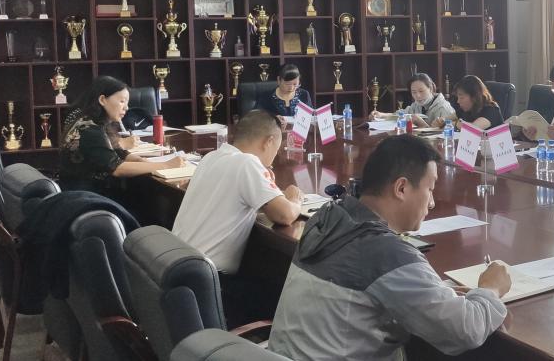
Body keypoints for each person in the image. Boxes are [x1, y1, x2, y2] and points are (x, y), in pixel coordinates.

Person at [269, 135, 511, 360]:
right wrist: (490, 289)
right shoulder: (384, 252)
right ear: (401, 188)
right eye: (430, 189)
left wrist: (433, 293)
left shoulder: (326, 220)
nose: (432, 202)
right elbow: (464, 329)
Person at [172, 110, 303, 326]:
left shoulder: (212, 157)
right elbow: (284, 215)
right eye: (276, 150)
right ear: (268, 141)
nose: (273, 158)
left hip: (180, 273)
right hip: (210, 284)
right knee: (286, 299)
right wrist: (294, 199)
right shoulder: (247, 163)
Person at [57, 75, 183, 197]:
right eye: (122, 101)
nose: (126, 108)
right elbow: (117, 168)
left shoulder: (88, 119)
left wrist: (141, 161)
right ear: (102, 100)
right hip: (88, 199)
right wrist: (166, 165)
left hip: (86, 194)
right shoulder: (89, 129)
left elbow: (116, 150)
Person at [373, 73, 455, 127]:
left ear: (430, 89)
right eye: (414, 92)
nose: (418, 96)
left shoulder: (443, 107)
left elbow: (446, 134)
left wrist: (422, 124)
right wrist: (381, 115)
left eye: (421, 91)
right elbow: (402, 114)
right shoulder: (417, 104)